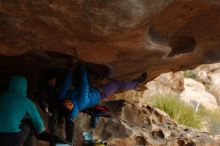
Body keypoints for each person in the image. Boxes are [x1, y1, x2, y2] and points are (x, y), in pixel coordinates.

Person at [59, 63, 146, 121]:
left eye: (67, 102)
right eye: (70, 105)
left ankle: (96, 74)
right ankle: (137, 83)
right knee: (118, 84)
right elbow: (84, 86)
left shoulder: (62, 98)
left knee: (93, 75)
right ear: (73, 109)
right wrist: (82, 68)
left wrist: (69, 69)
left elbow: (66, 84)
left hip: (90, 89)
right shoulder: (81, 103)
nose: (69, 101)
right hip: (100, 93)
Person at [0, 75, 70, 146]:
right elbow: (39, 128)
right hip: (12, 138)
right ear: (25, 87)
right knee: (29, 126)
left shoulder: (1, 97)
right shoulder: (27, 102)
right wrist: (45, 130)